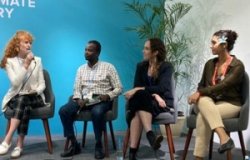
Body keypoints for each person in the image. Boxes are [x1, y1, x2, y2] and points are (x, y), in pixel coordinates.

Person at [59, 40, 123, 159]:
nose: (86, 52)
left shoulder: (108, 67)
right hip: (84, 100)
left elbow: (119, 88)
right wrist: (78, 100)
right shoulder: (81, 69)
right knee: (64, 111)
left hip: (101, 99)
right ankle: (74, 144)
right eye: (85, 50)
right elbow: (76, 88)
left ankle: (98, 145)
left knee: (97, 112)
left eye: (90, 50)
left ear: (97, 53)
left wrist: (108, 95)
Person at [188, 30, 245, 160]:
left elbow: (223, 86)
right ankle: (224, 138)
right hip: (209, 102)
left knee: (203, 116)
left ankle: (199, 158)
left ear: (224, 45)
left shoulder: (237, 66)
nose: (210, 45)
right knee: (203, 102)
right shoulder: (210, 64)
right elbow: (201, 85)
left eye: (214, 43)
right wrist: (201, 92)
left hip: (231, 104)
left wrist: (200, 93)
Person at [124, 38, 174, 160]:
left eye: (146, 48)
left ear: (155, 52)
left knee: (137, 106)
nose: (143, 51)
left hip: (160, 102)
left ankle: (132, 154)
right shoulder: (140, 66)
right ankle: (150, 134)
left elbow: (162, 88)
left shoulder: (166, 66)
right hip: (145, 100)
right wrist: (145, 91)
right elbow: (137, 87)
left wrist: (152, 94)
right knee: (140, 97)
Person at [0, 31, 46, 159]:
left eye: (30, 42)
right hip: (17, 98)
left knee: (23, 100)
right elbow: (15, 84)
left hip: (35, 97)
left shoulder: (37, 60)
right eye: (26, 42)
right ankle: (19, 145)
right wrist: (25, 64)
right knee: (23, 103)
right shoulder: (9, 61)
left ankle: (7, 140)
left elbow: (42, 84)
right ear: (17, 45)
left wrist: (35, 91)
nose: (29, 45)